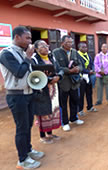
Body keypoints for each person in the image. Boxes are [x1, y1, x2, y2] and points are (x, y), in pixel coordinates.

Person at [0, 26, 43, 169]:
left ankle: (28, 150)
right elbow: (19, 72)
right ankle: (22, 159)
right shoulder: (6, 54)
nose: (30, 41)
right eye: (27, 38)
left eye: (30, 38)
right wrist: (28, 58)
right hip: (17, 96)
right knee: (22, 127)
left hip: (28, 93)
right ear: (17, 37)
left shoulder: (22, 53)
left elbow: (28, 73)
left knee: (28, 125)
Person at [32, 40, 63, 144]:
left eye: (46, 45)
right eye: (42, 46)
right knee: (43, 112)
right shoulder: (34, 60)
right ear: (36, 49)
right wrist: (50, 79)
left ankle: (49, 133)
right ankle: (42, 136)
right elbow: (34, 75)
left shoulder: (51, 57)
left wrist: (59, 76)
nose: (46, 47)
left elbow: (60, 69)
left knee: (52, 110)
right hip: (42, 90)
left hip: (54, 89)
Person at [53, 35, 84, 131]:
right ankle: (64, 122)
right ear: (62, 43)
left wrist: (78, 68)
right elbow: (56, 67)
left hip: (74, 82)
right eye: (68, 42)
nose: (70, 44)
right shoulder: (56, 53)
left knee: (75, 100)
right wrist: (68, 71)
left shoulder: (74, 52)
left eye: (71, 42)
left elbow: (80, 64)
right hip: (63, 82)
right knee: (63, 103)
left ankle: (74, 118)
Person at [77, 42, 97, 116]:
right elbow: (80, 67)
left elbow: (91, 63)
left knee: (89, 92)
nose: (85, 48)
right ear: (79, 48)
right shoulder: (77, 56)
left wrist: (92, 70)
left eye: (86, 47)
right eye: (83, 47)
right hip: (81, 78)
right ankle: (80, 110)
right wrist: (88, 71)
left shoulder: (88, 55)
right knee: (81, 94)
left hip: (88, 76)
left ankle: (90, 107)